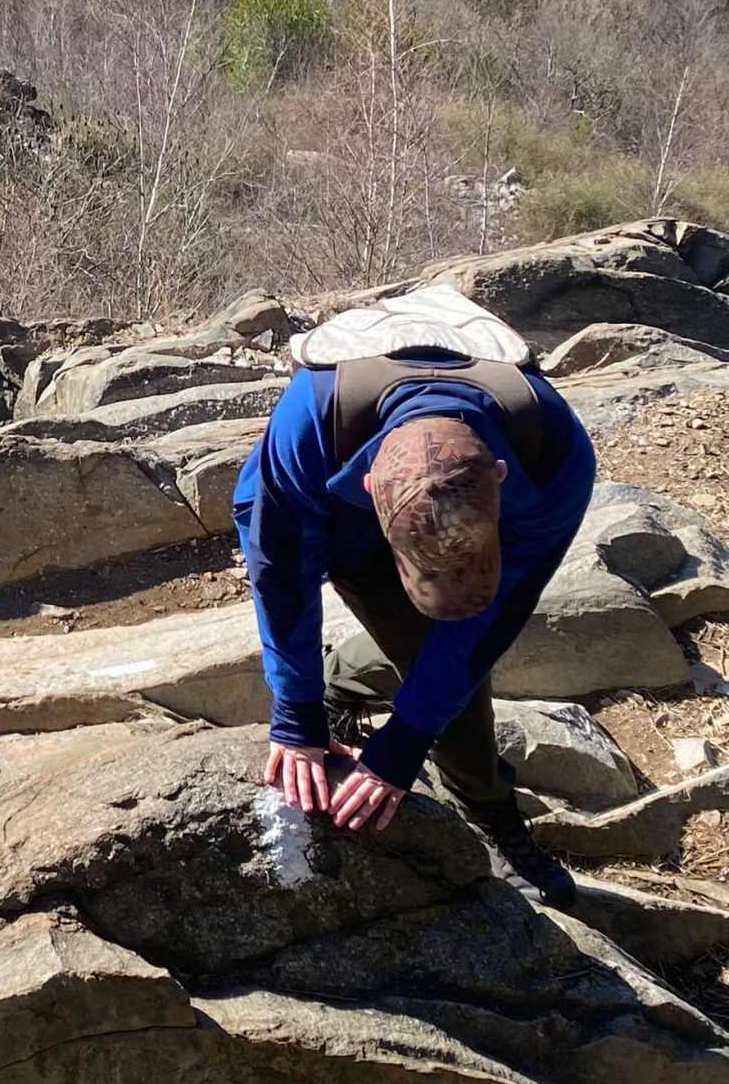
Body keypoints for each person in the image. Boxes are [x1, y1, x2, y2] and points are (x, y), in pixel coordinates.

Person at [234, 296, 596, 906]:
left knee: (452, 665)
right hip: (336, 491)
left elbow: (488, 621)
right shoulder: (311, 425)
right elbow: (281, 573)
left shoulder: (553, 454)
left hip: (470, 490)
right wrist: (296, 714)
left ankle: (481, 806)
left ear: (498, 477)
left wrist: (405, 740)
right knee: (446, 684)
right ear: (371, 484)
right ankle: (484, 802)